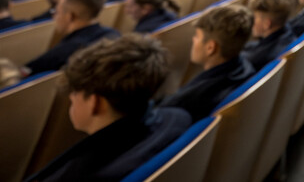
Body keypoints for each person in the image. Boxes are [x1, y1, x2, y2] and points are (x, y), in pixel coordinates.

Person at [24, 35, 191, 182]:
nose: (70, 99)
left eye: (74, 93)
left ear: (95, 102)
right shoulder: (177, 118)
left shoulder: (80, 176)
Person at [159, 4, 255, 121]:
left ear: (210, 48)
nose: (193, 40)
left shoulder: (188, 100)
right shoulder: (246, 68)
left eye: (197, 36)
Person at [24, 0, 120, 76]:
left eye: (56, 12)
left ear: (70, 16)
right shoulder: (114, 34)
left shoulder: (63, 52)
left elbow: (26, 72)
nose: (54, 17)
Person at [242, 0, 296, 71]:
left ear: (267, 24)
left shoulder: (255, 59)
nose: (251, 22)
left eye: (254, 18)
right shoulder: (288, 33)